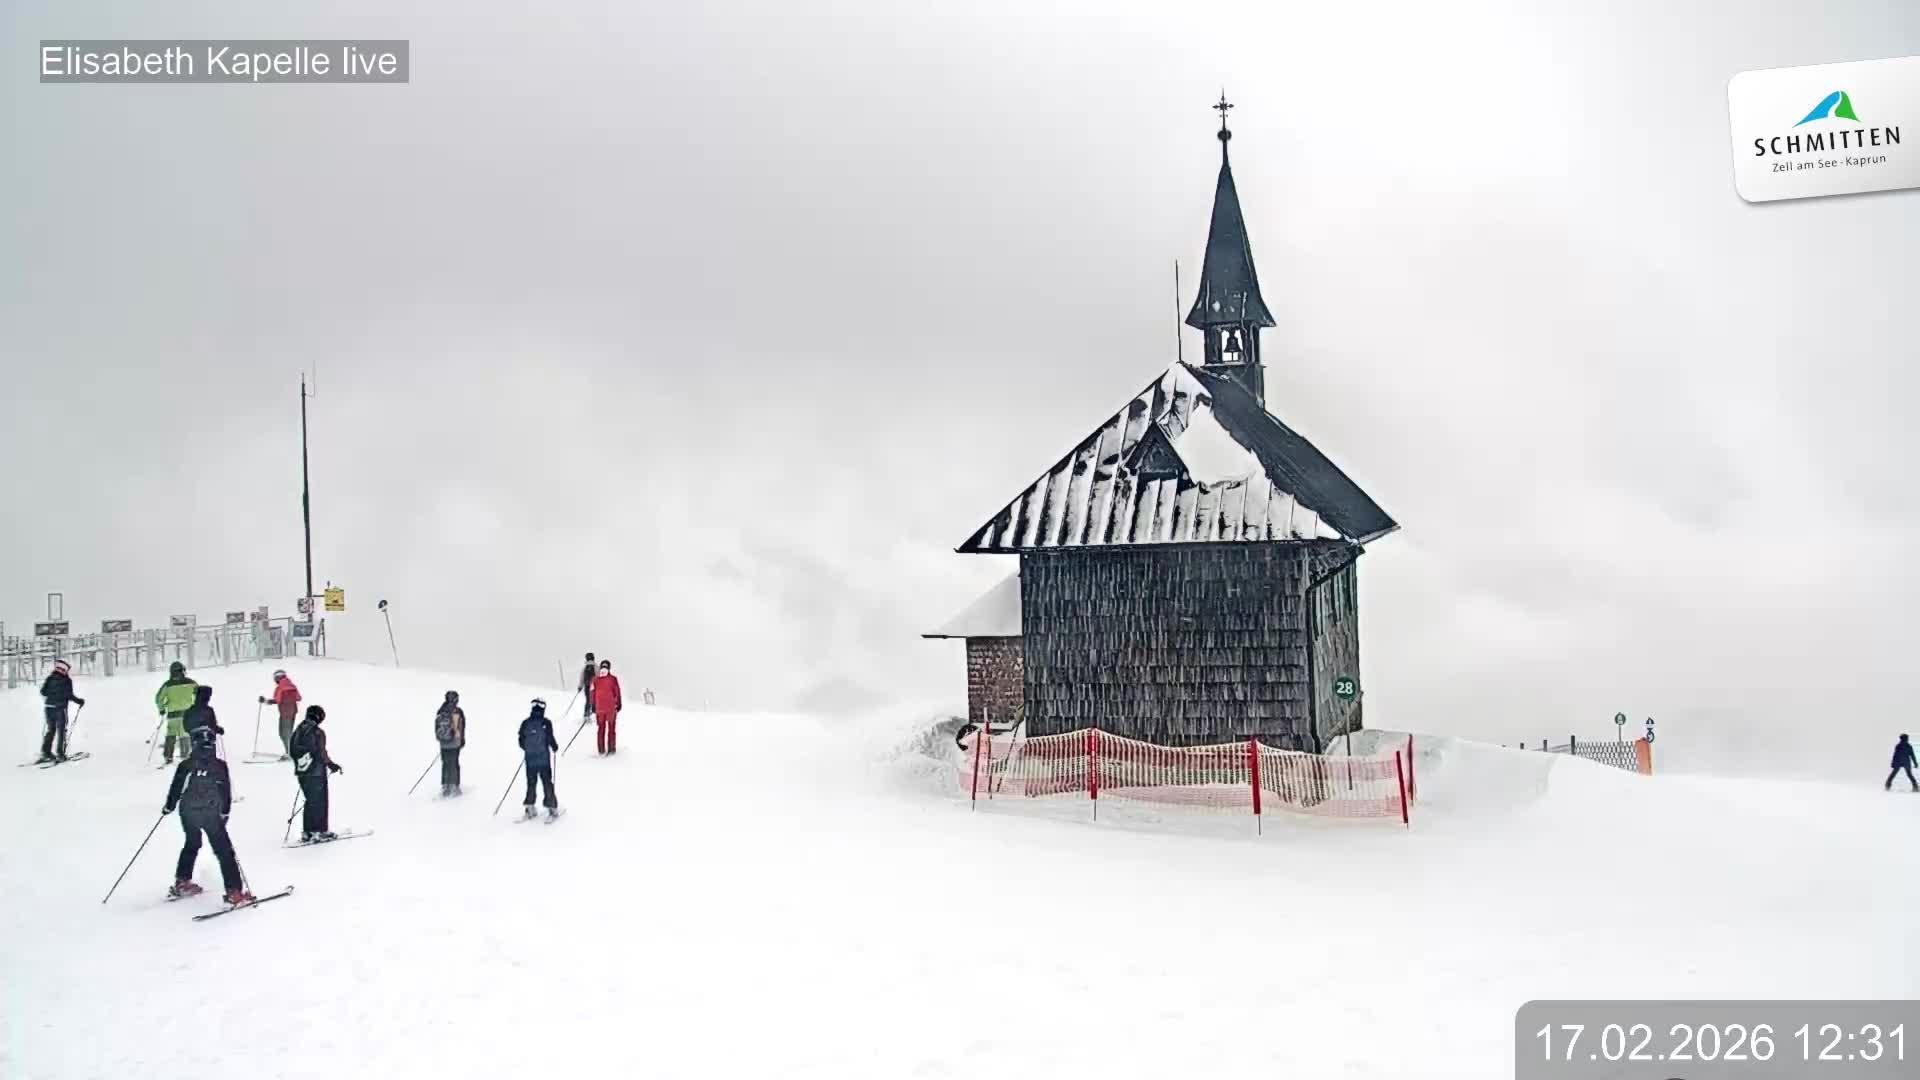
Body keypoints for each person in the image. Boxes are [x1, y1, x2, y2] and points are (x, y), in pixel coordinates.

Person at [163, 726, 251, 905]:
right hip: (211, 813)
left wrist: (169, 806)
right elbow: (225, 791)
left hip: (188, 812)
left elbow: (176, 787)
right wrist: (225, 812)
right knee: (224, 851)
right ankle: (234, 891)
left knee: (192, 843)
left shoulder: (186, 764)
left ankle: (182, 881)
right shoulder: (219, 765)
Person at [289, 704, 343, 842]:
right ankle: (320, 831)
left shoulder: (298, 730)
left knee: (309, 801)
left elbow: (292, 751)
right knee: (320, 802)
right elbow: (320, 752)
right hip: (316, 773)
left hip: (302, 773)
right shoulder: (317, 732)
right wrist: (331, 764)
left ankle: (308, 832)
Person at [517, 698, 560, 820]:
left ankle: (530, 807)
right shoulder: (546, 723)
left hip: (530, 760)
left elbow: (521, 740)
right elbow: (550, 738)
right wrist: (555, 747)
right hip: (543, 760)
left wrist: (528, 749)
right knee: (547, 783)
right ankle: (552, 808)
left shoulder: (525, 723)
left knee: (531, 783)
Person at [37, 659, 86, 763]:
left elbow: (43, 692)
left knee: (51, 730)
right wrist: (79, 701)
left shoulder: (50, 678)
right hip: (60, 709)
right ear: (64, 670)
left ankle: (46, 752)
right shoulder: (67, 680)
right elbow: (69, 695)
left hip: (49, 708)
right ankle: (60, 754)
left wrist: (52, 694)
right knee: (61, 731)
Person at [154, 661, 198, 764]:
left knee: (171, 735)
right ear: (183, 671)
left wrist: (161, 709)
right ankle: (185, 755)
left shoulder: (167, 685)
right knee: (185, 734)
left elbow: (158, 698)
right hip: (187, 713)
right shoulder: (191, 683)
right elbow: (199, 694)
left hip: (173, 715)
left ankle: (168, 757)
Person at [259, 670, 302, 760]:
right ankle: (290, 752)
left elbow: (277, 700)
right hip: (292, 712)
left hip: (285, 714)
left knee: (284, 734)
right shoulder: (291, 685)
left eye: (275, 678)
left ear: (278, 678)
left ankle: (290, 753)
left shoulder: (282, 687)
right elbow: (298, 698)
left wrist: (265, 701)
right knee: (286, 733)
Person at [435, 690, 467, 797]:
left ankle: (445, 786)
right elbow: (462, 727)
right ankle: (455, 786)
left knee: (445, 764)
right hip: (455, 742)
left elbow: (436, 727)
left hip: (443, 743)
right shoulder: (458, 711)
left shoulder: (441, 711)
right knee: (454, 763)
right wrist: (462, 740)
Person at [591, 658, 623, 756]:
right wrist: (619, 704)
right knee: (611, 729)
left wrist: (593, 705)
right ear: (609, 668)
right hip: (611, 709)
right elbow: (617, 692)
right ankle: (611, 749)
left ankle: (601, 750)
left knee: (601, 729)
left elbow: (592, 693)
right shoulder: (613, 679)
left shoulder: (595, 680)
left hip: (599, 708)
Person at [181, 684, 223, 756]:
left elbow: (186, 727)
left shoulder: (189, 711)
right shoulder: (209, 710)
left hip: (195, 739)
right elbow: (212, 725)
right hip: (208, 740)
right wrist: (219, 730)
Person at [578, 652, 598, 725]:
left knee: (588, 700)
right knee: (594, 700)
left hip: (587, 686)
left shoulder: (585, 667)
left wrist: (580, 686)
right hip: (594, 687)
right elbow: (599, 677)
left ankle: (586, 715)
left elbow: (582, 678)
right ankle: (594, 713)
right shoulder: (596, 667)